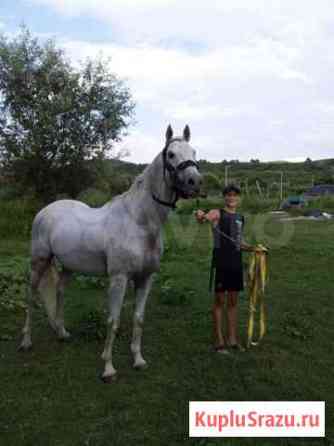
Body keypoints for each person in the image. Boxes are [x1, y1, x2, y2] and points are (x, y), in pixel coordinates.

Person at [195, 184, 261, 354]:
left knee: (233, 302)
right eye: (228, 195)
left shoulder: (240, 217)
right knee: (219, 302)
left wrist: (254, 248)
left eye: (234, 195)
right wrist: (201, 216)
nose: (231, 198)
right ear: (224, 197)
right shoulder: (218, 212)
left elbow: (239, 243)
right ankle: (219, 341)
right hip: (221, 263)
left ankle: (232, 339)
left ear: (239, 198)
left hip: (236, 264)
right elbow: (205, 218)